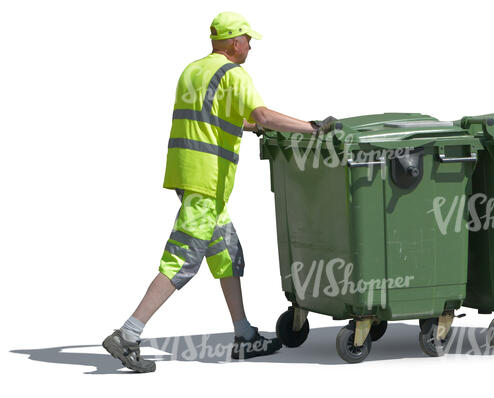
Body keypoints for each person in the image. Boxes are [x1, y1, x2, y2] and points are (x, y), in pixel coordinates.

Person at [103, 11, 326, 372]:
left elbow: (215, 114)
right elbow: (266, 115)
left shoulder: (193, 70)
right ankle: (128, 334)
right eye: (248, 40)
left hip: (187, 172)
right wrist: (311, 128)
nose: (250, 46)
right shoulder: (234, 74)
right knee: (182, 258)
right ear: (235, 42)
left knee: (227, 254)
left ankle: (244, 334)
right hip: (206, 181)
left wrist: (249, 128)